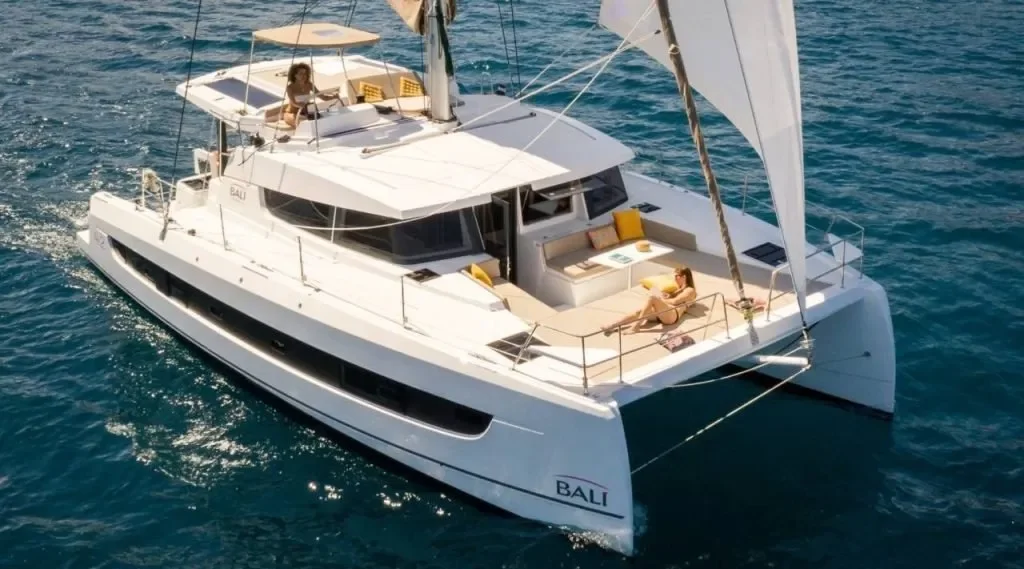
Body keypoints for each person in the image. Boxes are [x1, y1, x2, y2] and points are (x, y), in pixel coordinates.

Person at [602, 267, 697, 335]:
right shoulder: (677, 288)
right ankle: (612, 325)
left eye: (677, 276)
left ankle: (636, 327)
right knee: (639, 312)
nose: (675, 278)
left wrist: (661, 299)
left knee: (652, 298)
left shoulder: (690, 290)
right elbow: (669, 299)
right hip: (663, 312)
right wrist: (664, 295)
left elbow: (675, 302)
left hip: (672, 315)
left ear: (684, 277)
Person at [282, 63, 339, 127]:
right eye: (301, 74)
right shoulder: (290, 87)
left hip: (307, 112)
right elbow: (293, 102)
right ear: (295, 75)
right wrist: (301, 105)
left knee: (319, 122)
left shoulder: (309, 84)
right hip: (292, 113)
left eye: (305, 73)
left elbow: (322, 97)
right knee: (302, 124)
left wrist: (334, 97)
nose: (304, 76)